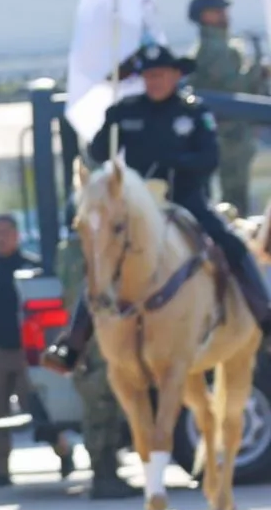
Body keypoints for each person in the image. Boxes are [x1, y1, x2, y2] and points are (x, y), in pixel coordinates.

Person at [43, 43, 271, 372]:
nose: (155, 81)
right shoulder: (127, 110)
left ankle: (264, 317)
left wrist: (175, 162)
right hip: (138, 204)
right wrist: (110, 119)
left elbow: (209, 159)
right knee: (104, 257)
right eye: (149, 76)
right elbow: (97, 151)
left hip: (185, 198)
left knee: (231, 242)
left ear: (176, 75)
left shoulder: (193, 112)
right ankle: (74, 341)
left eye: (161, 75)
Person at [0, 214, 72, 485]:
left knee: (38, 409)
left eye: (6, 232)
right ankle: (1, 470)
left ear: (17, 235)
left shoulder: (33, 269)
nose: (1, 238)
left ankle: (63, 451)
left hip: (30, 354)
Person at [58, 234, 142, 500]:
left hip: (90, 340)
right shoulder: (89, 251)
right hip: (95, 341)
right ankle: (104, 477)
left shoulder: (68, 251)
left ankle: (107, 473)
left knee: (102, 409)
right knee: (101, 409)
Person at [184, 0, 265, 215]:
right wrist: (257, 66)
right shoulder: (213, 49)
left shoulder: (226, 46)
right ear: (202, 16)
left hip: (235, 132)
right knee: (233, 196)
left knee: (236, 193)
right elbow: (235, 86)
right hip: (225, 134)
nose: (223, 15)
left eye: (223, 10)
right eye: (215, 11)